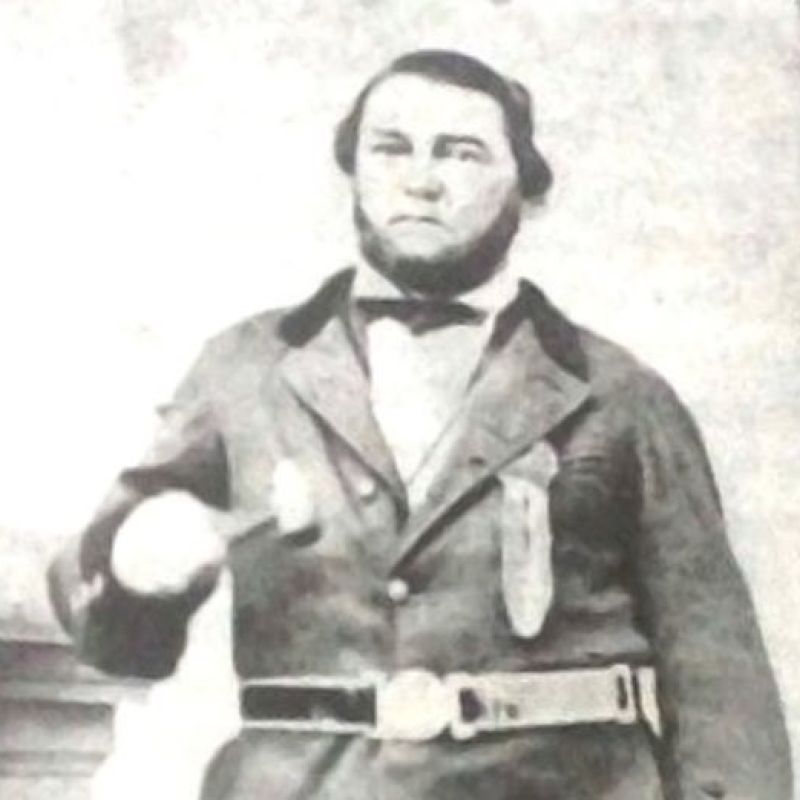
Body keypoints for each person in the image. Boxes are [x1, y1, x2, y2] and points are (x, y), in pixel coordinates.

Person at [48, 50, 791, 800]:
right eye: (391, 148)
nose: (422, 179)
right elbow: (111, 638)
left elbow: (720, 682)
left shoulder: (619, 396)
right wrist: (134, 567)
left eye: (461, 153)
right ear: (353, 173)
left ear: (529, 191)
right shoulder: (243, 371)